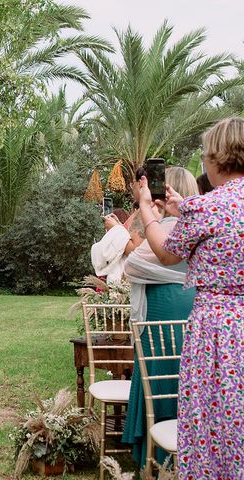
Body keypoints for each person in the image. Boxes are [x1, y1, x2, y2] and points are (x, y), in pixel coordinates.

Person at [137, 117, 244, 479]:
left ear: (216, 159)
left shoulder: (208, 207)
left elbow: (167, 252)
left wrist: (148, 212)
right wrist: (185, 207)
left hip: (218, 331)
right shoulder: (207, 208)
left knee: (213, 422)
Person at [121, 167, 199, 468]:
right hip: (193, 304)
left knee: (158, 369)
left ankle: (157, 449)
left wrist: (147, 213)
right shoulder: (200, 226)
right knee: (186, 370)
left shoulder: (165, 227)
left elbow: (134, 265)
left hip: (162, 304)